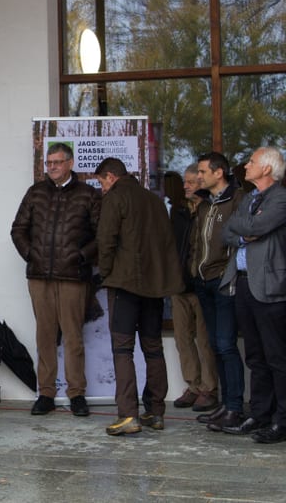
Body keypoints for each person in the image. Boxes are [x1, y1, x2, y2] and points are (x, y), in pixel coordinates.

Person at [10, 143, 100, 417]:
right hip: (39, 277)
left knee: (73, 337)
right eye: (48, 163)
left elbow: (103, 234)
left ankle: (77, 395)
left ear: (70, 163)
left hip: (73, 276)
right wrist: (31, 255)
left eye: (57, 162)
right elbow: (18, 229)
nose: (51, 168)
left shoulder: (88, 194)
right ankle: (46, 393)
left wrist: (81, 257)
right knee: (45, 337)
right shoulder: (35, 192)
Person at [94, 158, 183, 435]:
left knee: (122, 349)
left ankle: (128, 415)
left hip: (125, 285)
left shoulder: (115, 198)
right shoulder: (154, 200)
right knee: (153, 347)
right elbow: (167, 244)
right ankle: (155, 412)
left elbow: (105, 240)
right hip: (155, 287)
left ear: (111, 177)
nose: (102, 188)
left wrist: (105, 273)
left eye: (101, 182)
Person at [220, 147, 286, 444]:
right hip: (244, 283)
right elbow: (228, 230)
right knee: (255, 356)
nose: (245, 166)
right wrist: (245, 233)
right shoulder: (249, 198)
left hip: (270, 286)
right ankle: (259, 415)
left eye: (251, 162)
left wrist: (244, 228)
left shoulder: (281, 198)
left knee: (277, 357)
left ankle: (281, 421)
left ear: (268, 169)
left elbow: (259, 225)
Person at [188, 152, 245, 431]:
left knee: (225, 344)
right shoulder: (204, 204)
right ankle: (225, 405)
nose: (198, 176)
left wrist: (228, 274)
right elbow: (198, 242)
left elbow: (239, 241)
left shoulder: (237, 200)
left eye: (202, 171)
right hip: (203, 281)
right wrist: (193, 271)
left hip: (224, 281)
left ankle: (235, 407)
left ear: (218, 172)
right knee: (215, 345)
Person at [166, 166, 218, 411]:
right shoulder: (177, 212)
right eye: (185, 182)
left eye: (190, 182)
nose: (185, 186)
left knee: (205, 339)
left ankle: (209, 388)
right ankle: (193, 385)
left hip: (202, 285)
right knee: (182, 338)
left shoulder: (210, 210)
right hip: (179, 284)